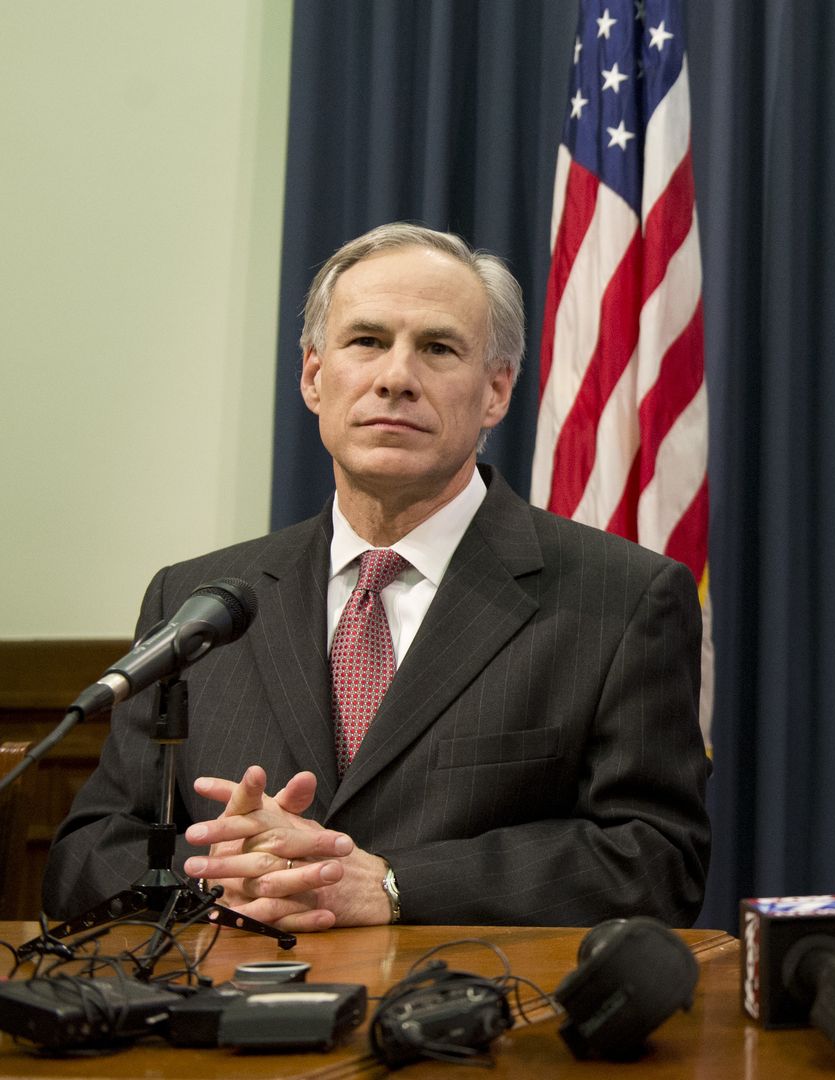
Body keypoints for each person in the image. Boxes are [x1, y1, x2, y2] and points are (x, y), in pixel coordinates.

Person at [45, 223, 710, 929]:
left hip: (474, 1022)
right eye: (366, 341)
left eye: (437, 348)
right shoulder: (195, 601)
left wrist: (396, 885)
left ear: (495, 391)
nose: (396, 376)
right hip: (226, 1020)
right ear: (312, 375)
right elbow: (87, 856)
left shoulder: (623, 598)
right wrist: (222, 878)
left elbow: (656, 862)